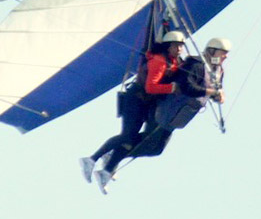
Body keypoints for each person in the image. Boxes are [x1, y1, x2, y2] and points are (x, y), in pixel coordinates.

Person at [79, 30, 186, 194]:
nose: (179, 49)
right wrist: (172, 88)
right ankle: (91, 159)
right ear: (167, 46)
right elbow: (151, 86)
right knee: (128, 136)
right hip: (134, 100)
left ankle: (107, 169)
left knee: (133, 139)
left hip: (145, 102)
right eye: (175, 46)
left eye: (181, 46)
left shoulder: (174, 62)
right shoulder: (159, 62)